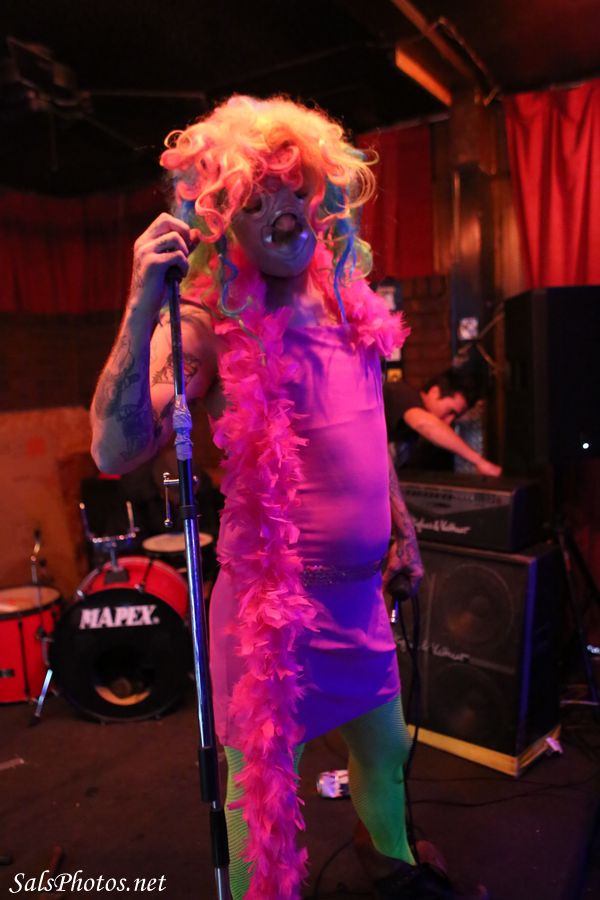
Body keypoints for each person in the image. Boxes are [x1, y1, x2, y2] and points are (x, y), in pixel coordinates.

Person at [90, 95, 487, 900]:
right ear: (221, 218)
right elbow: (112, 448)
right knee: (263, 810)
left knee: (386, 759)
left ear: (321, 192)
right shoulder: (206, 322)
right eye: (255, 198)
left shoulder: (349, 302)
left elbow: (368, 426)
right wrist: (139, 307)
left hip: (360, 602)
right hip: (272, 617)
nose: (281, 211)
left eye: (293, 189)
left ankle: (396, 876)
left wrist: (401, 525)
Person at [384, 369, 502, 476]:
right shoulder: (401, 392)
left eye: (455, 417)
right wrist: (479, 462)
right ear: (435, 392)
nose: (449, 421)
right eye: (450, 411)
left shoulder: (420, 439)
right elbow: (423, 423)